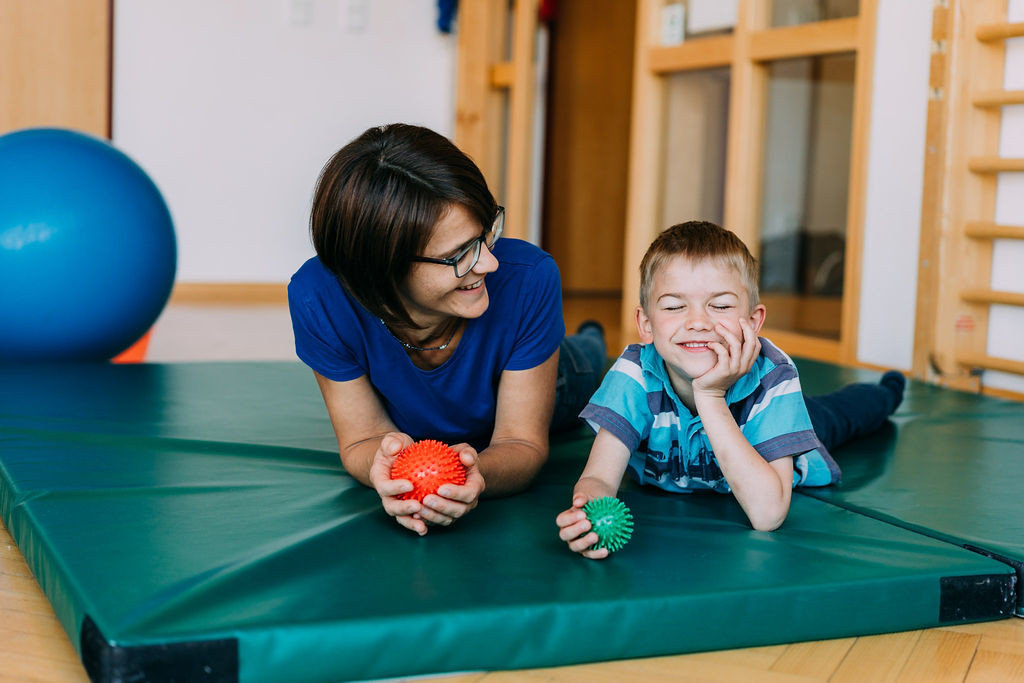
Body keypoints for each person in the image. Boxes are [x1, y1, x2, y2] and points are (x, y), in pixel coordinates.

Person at [288, 123, 605, 536]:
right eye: (458, 255)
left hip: (563, 378)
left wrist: (471, 478)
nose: (488, 263)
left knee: (592, 359)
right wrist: (388, 471)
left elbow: (521, 443)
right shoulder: (319, 297)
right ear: (380, 272)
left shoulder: (529, 277)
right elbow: (362, 439)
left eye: (485, 234)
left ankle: (594, 335)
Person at [556, 221, 905, 558]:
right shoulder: (634, 375)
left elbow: (768, 515)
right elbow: (599, 477)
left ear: (753, 322)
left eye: (720, 305)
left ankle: (887, 391)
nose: (698, 322)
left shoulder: (773, 376)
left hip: (773, 429)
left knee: (840, 414)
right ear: (646, 325)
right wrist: (585, 512)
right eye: (675, 306)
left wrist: (710, 396)